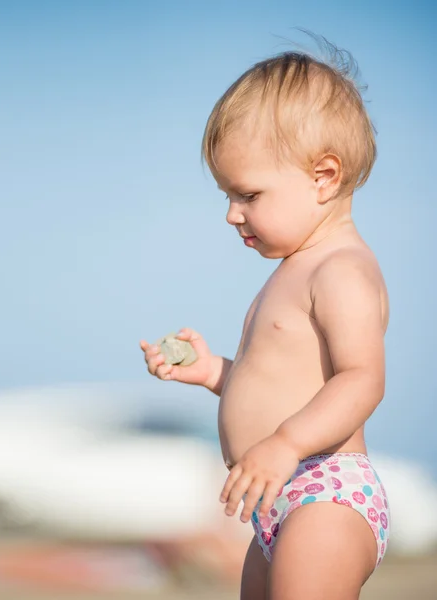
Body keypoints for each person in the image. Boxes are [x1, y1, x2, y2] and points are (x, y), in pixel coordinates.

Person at [140, 38, 390, 600]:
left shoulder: (341, 269)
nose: (232, 214)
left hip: (326, 491)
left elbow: (362, 378)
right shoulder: (292, 271)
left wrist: (284, 442)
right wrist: (214, 374)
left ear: (324, 177)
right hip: (278, 502)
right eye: (228, 195)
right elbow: (282, 382)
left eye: (248, 194)